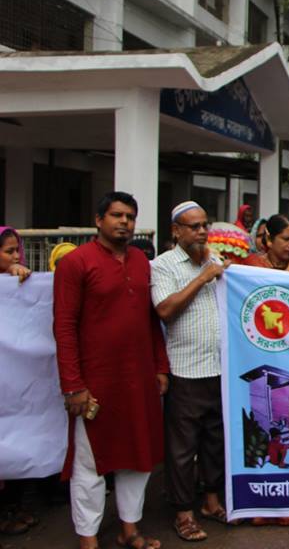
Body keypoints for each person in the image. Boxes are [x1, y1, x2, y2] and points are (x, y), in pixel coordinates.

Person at [53, 191, 168, 549]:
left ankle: (129, 529)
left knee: (139, 456)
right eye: (117, 215)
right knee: (90, 461)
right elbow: (64, 327)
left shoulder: (140, 261)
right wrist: (73, 385)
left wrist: (160, 367)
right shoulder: (76, 263)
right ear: (99, 220)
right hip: (96, 381)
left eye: (130, 217)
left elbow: (150, 320)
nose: (124, 222)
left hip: (139, 378)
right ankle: (88, 538)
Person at [151, 202, 231, 542]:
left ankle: (211, 502)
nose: (201, 231)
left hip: (219, 368)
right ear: (176, 231)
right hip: (185, 370)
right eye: (193, 226)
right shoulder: (162, 265)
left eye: (204, 225)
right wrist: (202, 279)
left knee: (215, 441)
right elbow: (165, 310)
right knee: (183, 448)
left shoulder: (215, 260)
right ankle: (183, 512)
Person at [0, 226, 38, 539]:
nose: (16, 256)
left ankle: (14, 507)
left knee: (17, 439)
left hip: (14, 385)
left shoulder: (22, 283)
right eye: (8, 251)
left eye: (17, 250)